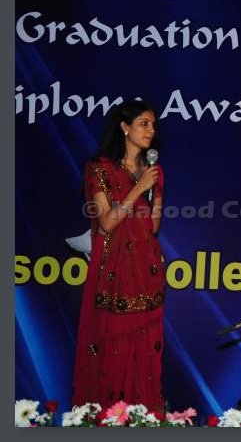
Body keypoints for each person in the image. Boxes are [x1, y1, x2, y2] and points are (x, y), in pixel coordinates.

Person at [72, 100, 166, 411]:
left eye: (153, 125)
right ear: (125, 127)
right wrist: (138, 188)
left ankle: (141, 418)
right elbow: (107, 222)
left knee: (145, 352)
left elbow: (152, 227)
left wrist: (155, 192)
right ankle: (109, 418)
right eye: (144, 124)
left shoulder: (153, 171)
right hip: (114, 275)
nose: (151, 131)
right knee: (112, 349)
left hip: (146, 271)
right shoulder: (100, 169)